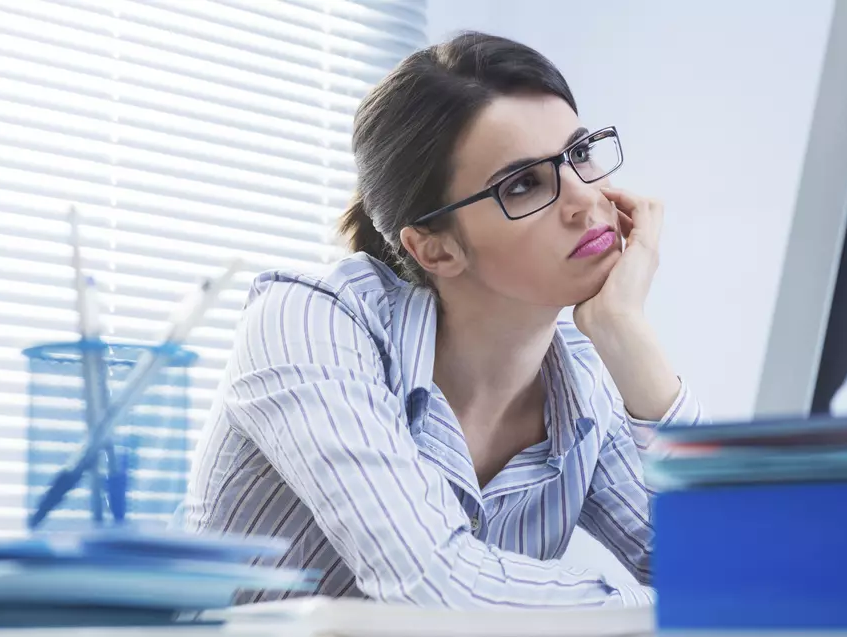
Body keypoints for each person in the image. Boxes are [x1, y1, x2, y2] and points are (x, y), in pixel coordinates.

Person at [178, 30, 705, 608]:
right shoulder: (307, 322)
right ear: (435, 249)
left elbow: (735, 568)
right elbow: (430, 583)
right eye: (524, 183)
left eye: (580, 154)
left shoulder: (581, 385)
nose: (585, 199)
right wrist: (663, 606)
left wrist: (628, 334)